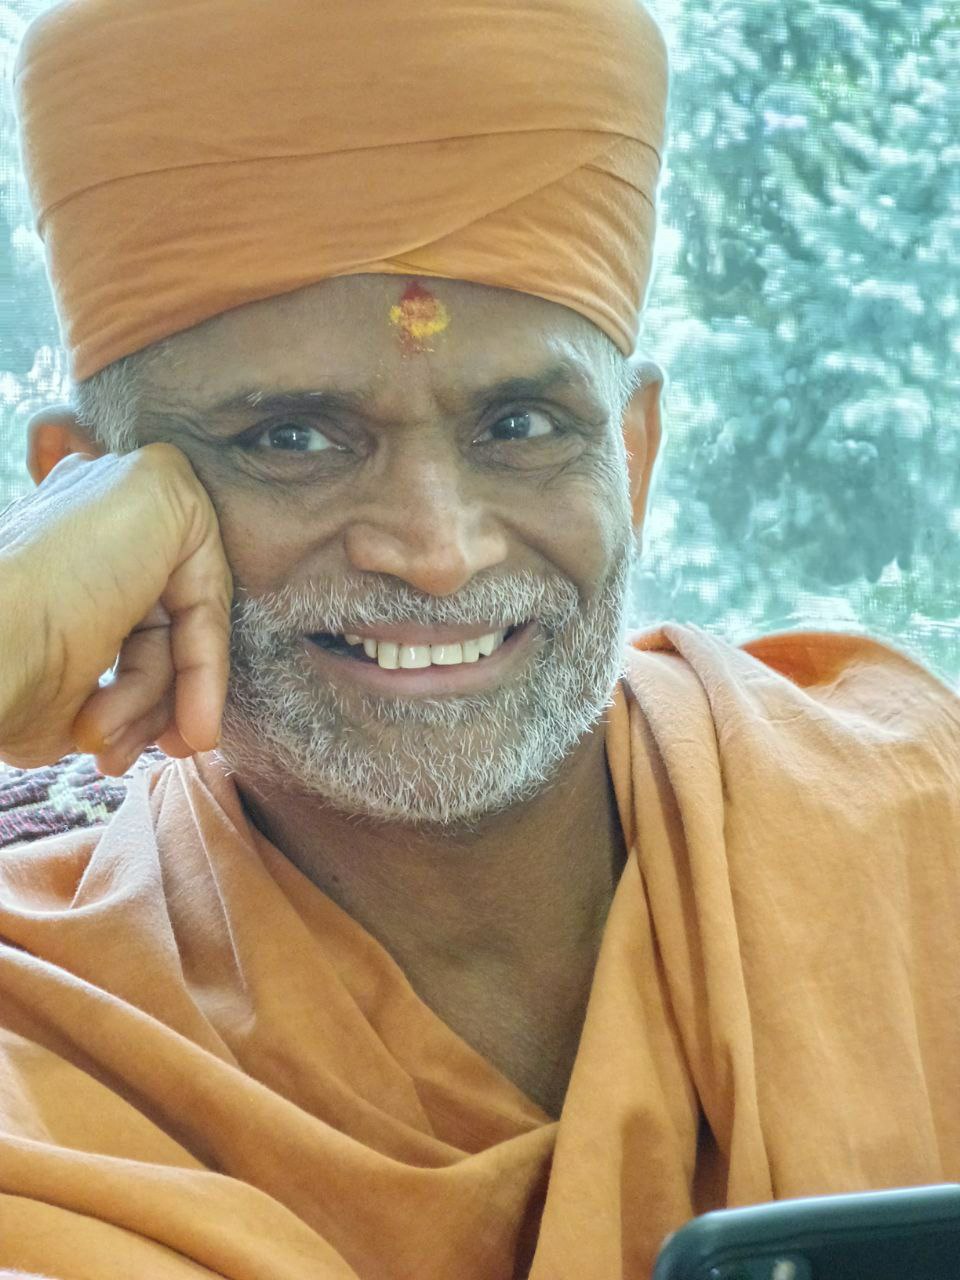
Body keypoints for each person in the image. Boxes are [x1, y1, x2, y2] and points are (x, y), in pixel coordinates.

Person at [1, 2, 958, 1278]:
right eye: (293, 437)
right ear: (85, 491)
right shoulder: (46, 1036)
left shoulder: (917, 831)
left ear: (632, 456)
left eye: (521, 426)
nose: (437, 550)